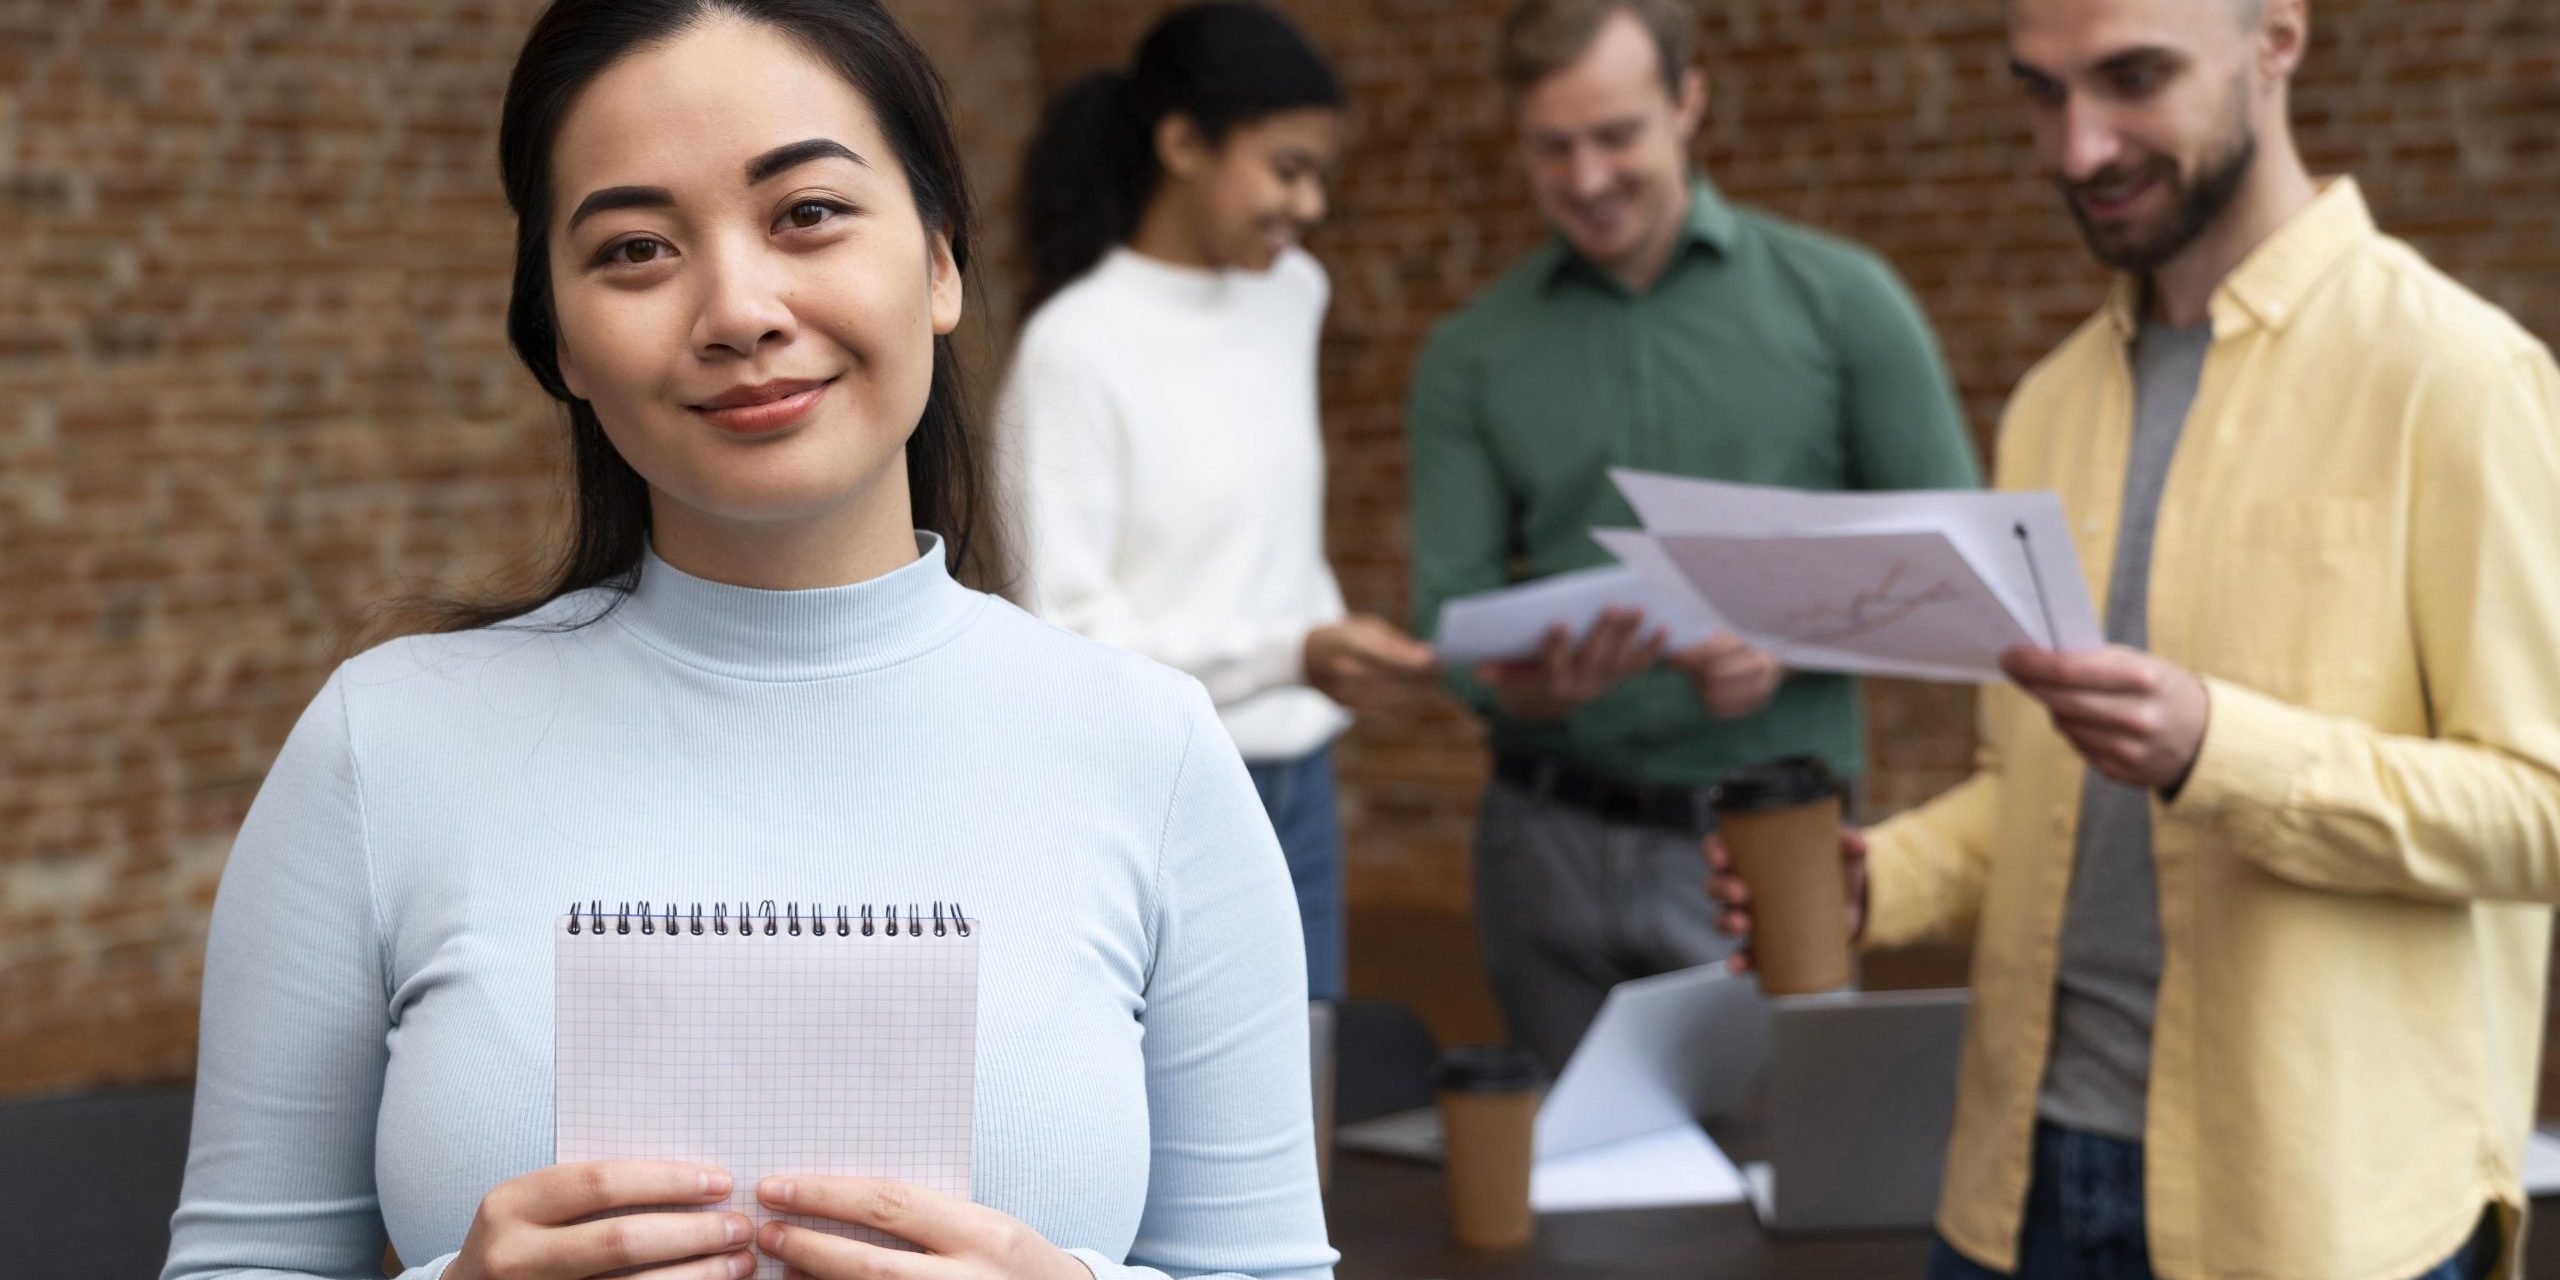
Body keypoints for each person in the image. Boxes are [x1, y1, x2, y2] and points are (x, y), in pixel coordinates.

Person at [161, 3, 1336, 1279]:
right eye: (635, 248)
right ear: (559, 337)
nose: (737, 307)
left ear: (940, 262)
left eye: (808, 215)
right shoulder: (380, 744)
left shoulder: (1151, 750)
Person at [1707, 0, 2560, 1276]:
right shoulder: (2051, 403)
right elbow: (2040, 793)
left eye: (2132, 80)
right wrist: (1885, 877)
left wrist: (2221, 745)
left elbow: (2538, 805)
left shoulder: (2456, 377)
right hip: (2015, 1184)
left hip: (2310, 1212)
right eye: (2042, 94)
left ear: (2276, 38)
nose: (2077, 147)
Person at [1407, 0, 1981, 1073]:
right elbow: (1450, 606)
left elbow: (1959, 562)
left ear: (1688, 102)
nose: (1585, 178)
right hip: (1542, 843)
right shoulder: (1469, 353)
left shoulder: (1843, 301)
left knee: (1788, 1187)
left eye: (1616, 135)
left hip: (1767, 835)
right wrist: (1516, 685)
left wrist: (1789, 629)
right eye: (1552, 147)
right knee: (1578, 1215)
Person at [1003, 1, 1434, 1005]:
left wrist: (1315, 653)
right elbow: (1062, 636)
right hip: (1162, 795)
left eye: (1321, 172)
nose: (1311, 204)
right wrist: (1296, 649)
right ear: (1183, 142)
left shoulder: (1295, 295)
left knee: (1305, 1083)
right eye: (1287, 168)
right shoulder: (1073, 346)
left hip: (1304, 778)